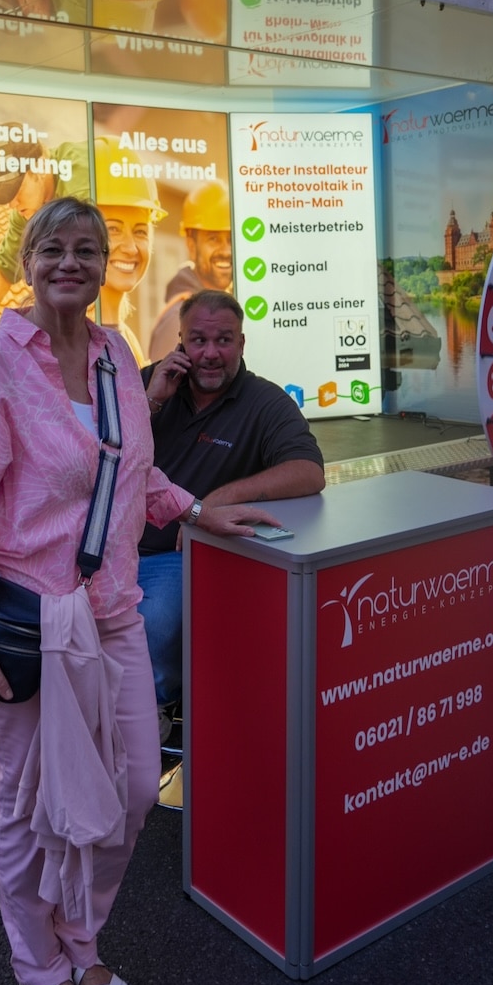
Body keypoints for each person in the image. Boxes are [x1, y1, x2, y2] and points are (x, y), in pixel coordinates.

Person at [0, 198, 279, 985]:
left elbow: (131, 473)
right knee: (29, 802)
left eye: (86, 249)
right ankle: (39, 965)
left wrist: (193, 511)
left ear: (105, 260)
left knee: (126, 794)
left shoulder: (117, 352)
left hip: (113, 611)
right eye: (53, 248)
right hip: (31, 620)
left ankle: (83, 942)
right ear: (29, 259)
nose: (69, 263)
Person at [139, 289, 326, 721]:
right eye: (198, 340)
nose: (210, 354)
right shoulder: (150, 381)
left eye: (223, 340)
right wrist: (152, 400)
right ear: (180, 341)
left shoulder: (264, 401)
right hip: (109, 548)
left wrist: (215, 500)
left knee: (155, 623)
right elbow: (99, 451)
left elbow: (308, 471)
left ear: (241, 344)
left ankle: (156, 713)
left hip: (176, 554)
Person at [0, 125, 90, 332]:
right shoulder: (27, 211)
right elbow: (6, 268)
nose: (11, 204)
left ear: (39, 166)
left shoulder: (80, 183)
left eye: (15, 190)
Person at [93, 136, 166, 367]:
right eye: (113, 229)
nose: (131, 247)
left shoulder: (126, 337)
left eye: (141, 231)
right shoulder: (72, 342)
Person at [147, 180, 232, 361]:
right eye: (214, 239)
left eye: (231, 240)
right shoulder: (177, 321)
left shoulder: (225, 307)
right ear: (191, 245)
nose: (226, 251)